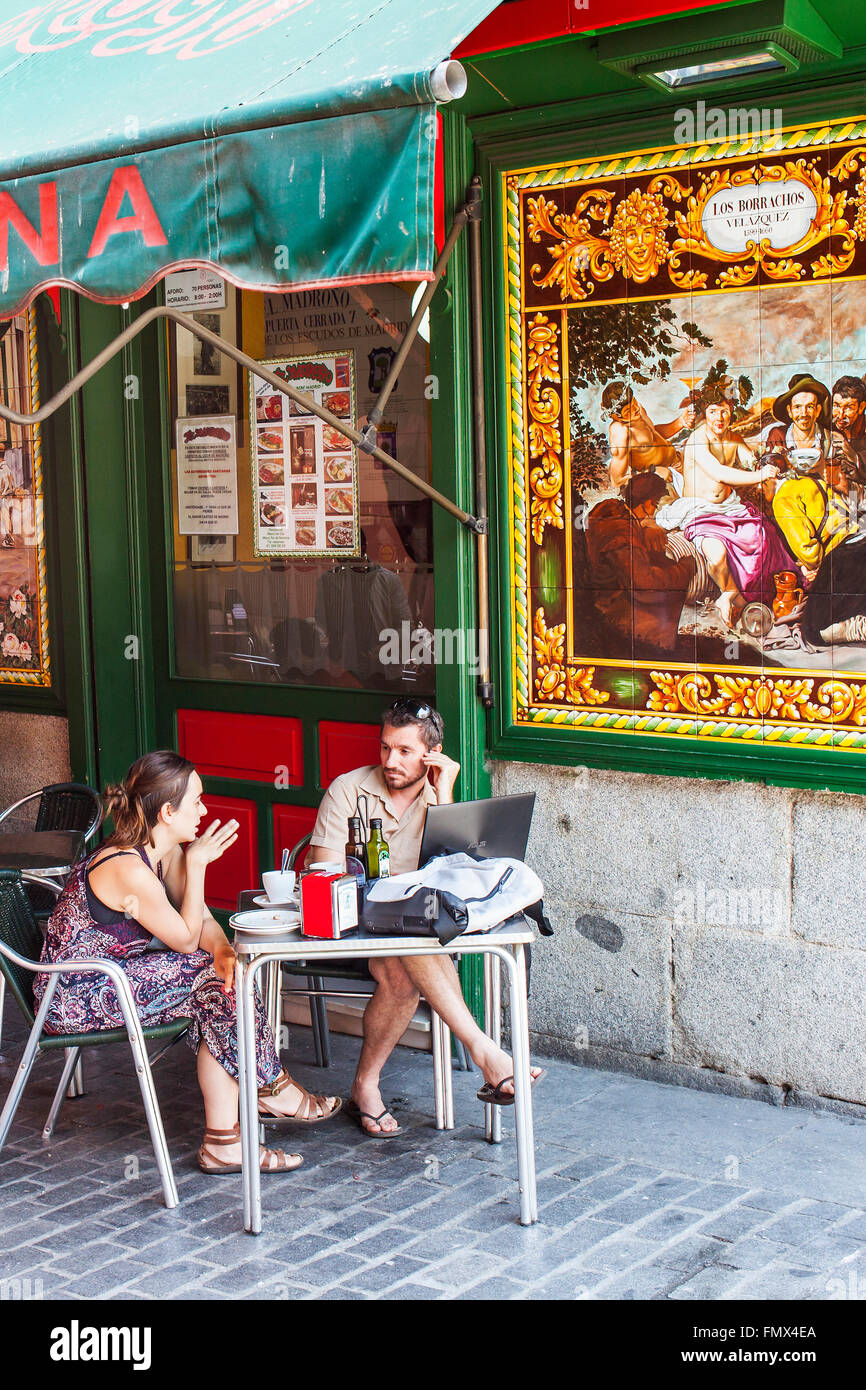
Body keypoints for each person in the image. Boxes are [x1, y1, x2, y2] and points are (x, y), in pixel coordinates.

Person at [35, 751, 341, 1176]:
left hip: (118, 981)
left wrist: (222, 951)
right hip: (71, 994)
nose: (204, 810)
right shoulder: (127, 866)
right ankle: (270, 1089)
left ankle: (227, 1140)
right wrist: (197, 866)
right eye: (196, 801)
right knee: (209, 981)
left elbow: (201, 924)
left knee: (221, 983)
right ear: (166, 811)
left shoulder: (163, 852)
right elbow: (182, 939)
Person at [307, 698, 544, 1136]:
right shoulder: (348, 789)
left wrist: (446, 793)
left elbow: (452, 876)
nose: (390, 761)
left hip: (412, 931)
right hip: (352, 922)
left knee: (403, 969)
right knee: (410, 949)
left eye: (404, 751)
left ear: (431, 754)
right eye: (385, 748)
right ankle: (484, 1051)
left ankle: (366, 1087)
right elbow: (323, 870)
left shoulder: (437, 796)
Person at [655, 397, 793, 627]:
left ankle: (755, 596)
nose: (719, 418)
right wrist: (759, 475)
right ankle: (729, 592)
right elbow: (718, 472)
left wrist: (763, 463)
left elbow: (750, 460)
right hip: (700, 510)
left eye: (724, 411)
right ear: (705, 414)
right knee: (717, 554)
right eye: (713, 411)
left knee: (762, 537)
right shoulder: (698, 439)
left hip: (730, 507)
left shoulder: (734, 438)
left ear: (732, 412)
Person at [585, 472, 695, 657]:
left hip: (598, 591)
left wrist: (645, 531)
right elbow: (644, 585)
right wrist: (684, 569)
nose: (654, 511)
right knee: (669, 586)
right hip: (607, 607)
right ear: (647, 503)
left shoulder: (611, 510)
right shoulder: (621, 534)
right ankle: (652, 650)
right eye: (655, 505)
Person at [772, 451, 866, 645]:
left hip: (843, 558)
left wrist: (816, 567)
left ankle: (853, 627)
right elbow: (852, 517)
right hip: (860, 541)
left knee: (812, 631)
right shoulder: (821, 483)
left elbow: (808, 551)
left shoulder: (783, 497)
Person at [602, 381, 695, 490]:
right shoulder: (620, 432)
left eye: (634, 403)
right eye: (628, 411)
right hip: (667, 479)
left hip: (679, 460)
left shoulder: (638, 410)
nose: (635, 409)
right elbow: (617, 481)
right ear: (615, 416)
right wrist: (653, 473)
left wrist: (679, 423)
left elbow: (653, 435)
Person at [762, 372, 833, 462]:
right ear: (789, 411)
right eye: (797, 407)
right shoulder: (777, 436)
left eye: (810, 406)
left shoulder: (829, 438)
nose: (804, 413)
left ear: (818, 410)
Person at [831, 375, 866, 483]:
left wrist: (853, 456)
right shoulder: (827, 428)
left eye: (848, 407)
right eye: (836, 406)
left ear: (861, 407)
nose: (841, 415)